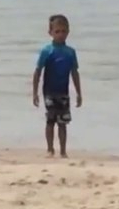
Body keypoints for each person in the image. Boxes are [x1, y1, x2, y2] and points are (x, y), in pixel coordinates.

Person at [31, 13, 81, 159]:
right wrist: (35, 93)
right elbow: (38, 72)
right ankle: (50, 149)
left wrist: (78, 93)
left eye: (63, 31)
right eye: (57, 31)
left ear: (68, 32)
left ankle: (63, 151)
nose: (60, 35)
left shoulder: (70, 52)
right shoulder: (47, 51)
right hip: (49, 92)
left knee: (63, 123)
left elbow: (74, 72)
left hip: (63, 93)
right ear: (50, 33)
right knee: (50, 121)